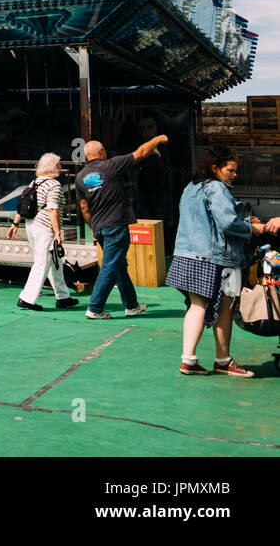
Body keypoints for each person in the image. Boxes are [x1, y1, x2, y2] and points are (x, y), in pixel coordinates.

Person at [167, 147, 280, 377]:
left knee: (196, 306)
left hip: (186, 255)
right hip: (217, 258)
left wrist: (244, 221)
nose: (234, 174)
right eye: (231, 170)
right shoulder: (217, 188)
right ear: (215, 168)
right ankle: (223, 360)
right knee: (225, 310)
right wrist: (252, 227)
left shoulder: (191, 187)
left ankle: (188, 359)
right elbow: (227, 224)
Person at [76, 134, 166, 319]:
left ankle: (131, 305)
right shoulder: (112, 165)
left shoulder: (80, 177)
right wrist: (157, 140)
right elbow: (140, 153)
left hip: (99, 227)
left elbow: (84, 207)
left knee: (118, 266)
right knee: (110, 266)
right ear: (102, 152)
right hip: (116, 225)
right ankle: (95, 308)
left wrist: (93, 227)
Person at [8, 153, 79, 310]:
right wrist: (57, 232)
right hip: (45, 228)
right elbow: (52, 209)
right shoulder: (53, 185)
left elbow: (23, 206)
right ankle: (27, 298)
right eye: (58, 165)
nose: (60, 167)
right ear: (53, 167)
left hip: (31, 225)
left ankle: (63, 296)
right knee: (43, 263)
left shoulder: (34, 182)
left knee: (55, 262)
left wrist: (15, 224)